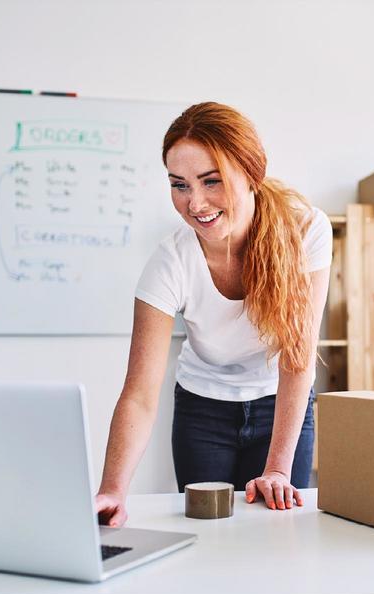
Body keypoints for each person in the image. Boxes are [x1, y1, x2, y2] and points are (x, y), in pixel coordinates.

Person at [95, 102, 332, 526]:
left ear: (250, 173)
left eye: (211, 181)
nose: (195, 203)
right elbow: (139, 396)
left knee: (277, 536)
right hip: (202, 410)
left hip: (280, 405)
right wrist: (112, 489)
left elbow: (298, 359)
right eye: (179, 185)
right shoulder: (171, 261)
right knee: (207, 534)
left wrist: (277, 467)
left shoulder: (305, 230)